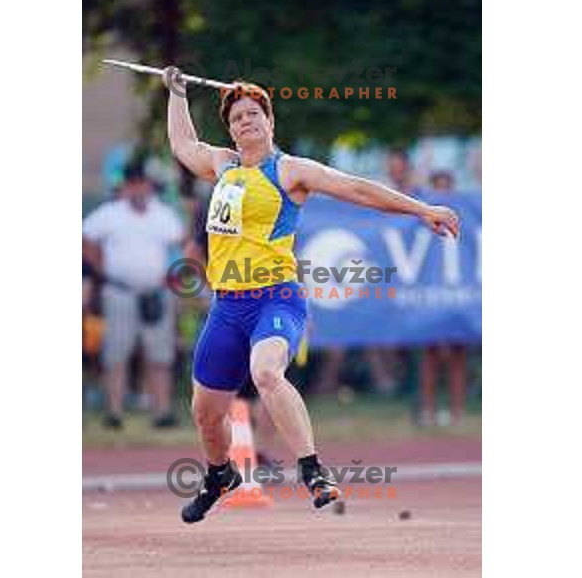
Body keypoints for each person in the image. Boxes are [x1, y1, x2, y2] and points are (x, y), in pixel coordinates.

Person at [163, 69, 459, 523]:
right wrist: (177, 93)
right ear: (230, 129)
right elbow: (184, 146)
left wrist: (422, 209)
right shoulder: (222, 165)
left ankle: (313, 470)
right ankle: (220, 475)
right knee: (205, 413)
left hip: (276, 298)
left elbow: (356, 188)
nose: (246, 121)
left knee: (266, 373)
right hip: (227, 306)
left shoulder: (288, 170)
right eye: (238, 117)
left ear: (270, 121)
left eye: (254, 113)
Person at [82, 161, 184, 429]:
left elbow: (183, 245)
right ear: (126, 186)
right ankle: (114, 412)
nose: (138, 188)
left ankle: (161, 411)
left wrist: (171, 277)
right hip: (120, 291)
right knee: (116, 353)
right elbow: (85, 239)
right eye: (133, 183)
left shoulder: (162, 214)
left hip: (155, 293)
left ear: (149, 186)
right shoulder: (110, 213)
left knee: (159, 355)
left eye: (142, 183)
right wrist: (101, 267)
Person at [419, 170, 467, 425]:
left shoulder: (468, 216)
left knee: (458, 352)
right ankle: (428, 411)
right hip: (430, 295)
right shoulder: (421, 220)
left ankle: (457, 412)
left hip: (460, 295)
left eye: (446, 187)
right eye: (437, 188)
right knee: (431, 352)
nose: (442, 193)